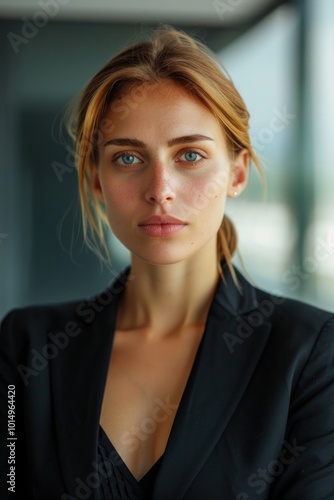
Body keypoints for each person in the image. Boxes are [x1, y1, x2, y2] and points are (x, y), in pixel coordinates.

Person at [0, 27, 333, 500]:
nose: (160, 189)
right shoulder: (28, 346)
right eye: (129, 157)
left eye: (190, 155)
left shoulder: (312, 355)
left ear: (236, 173)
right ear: (96, 180)